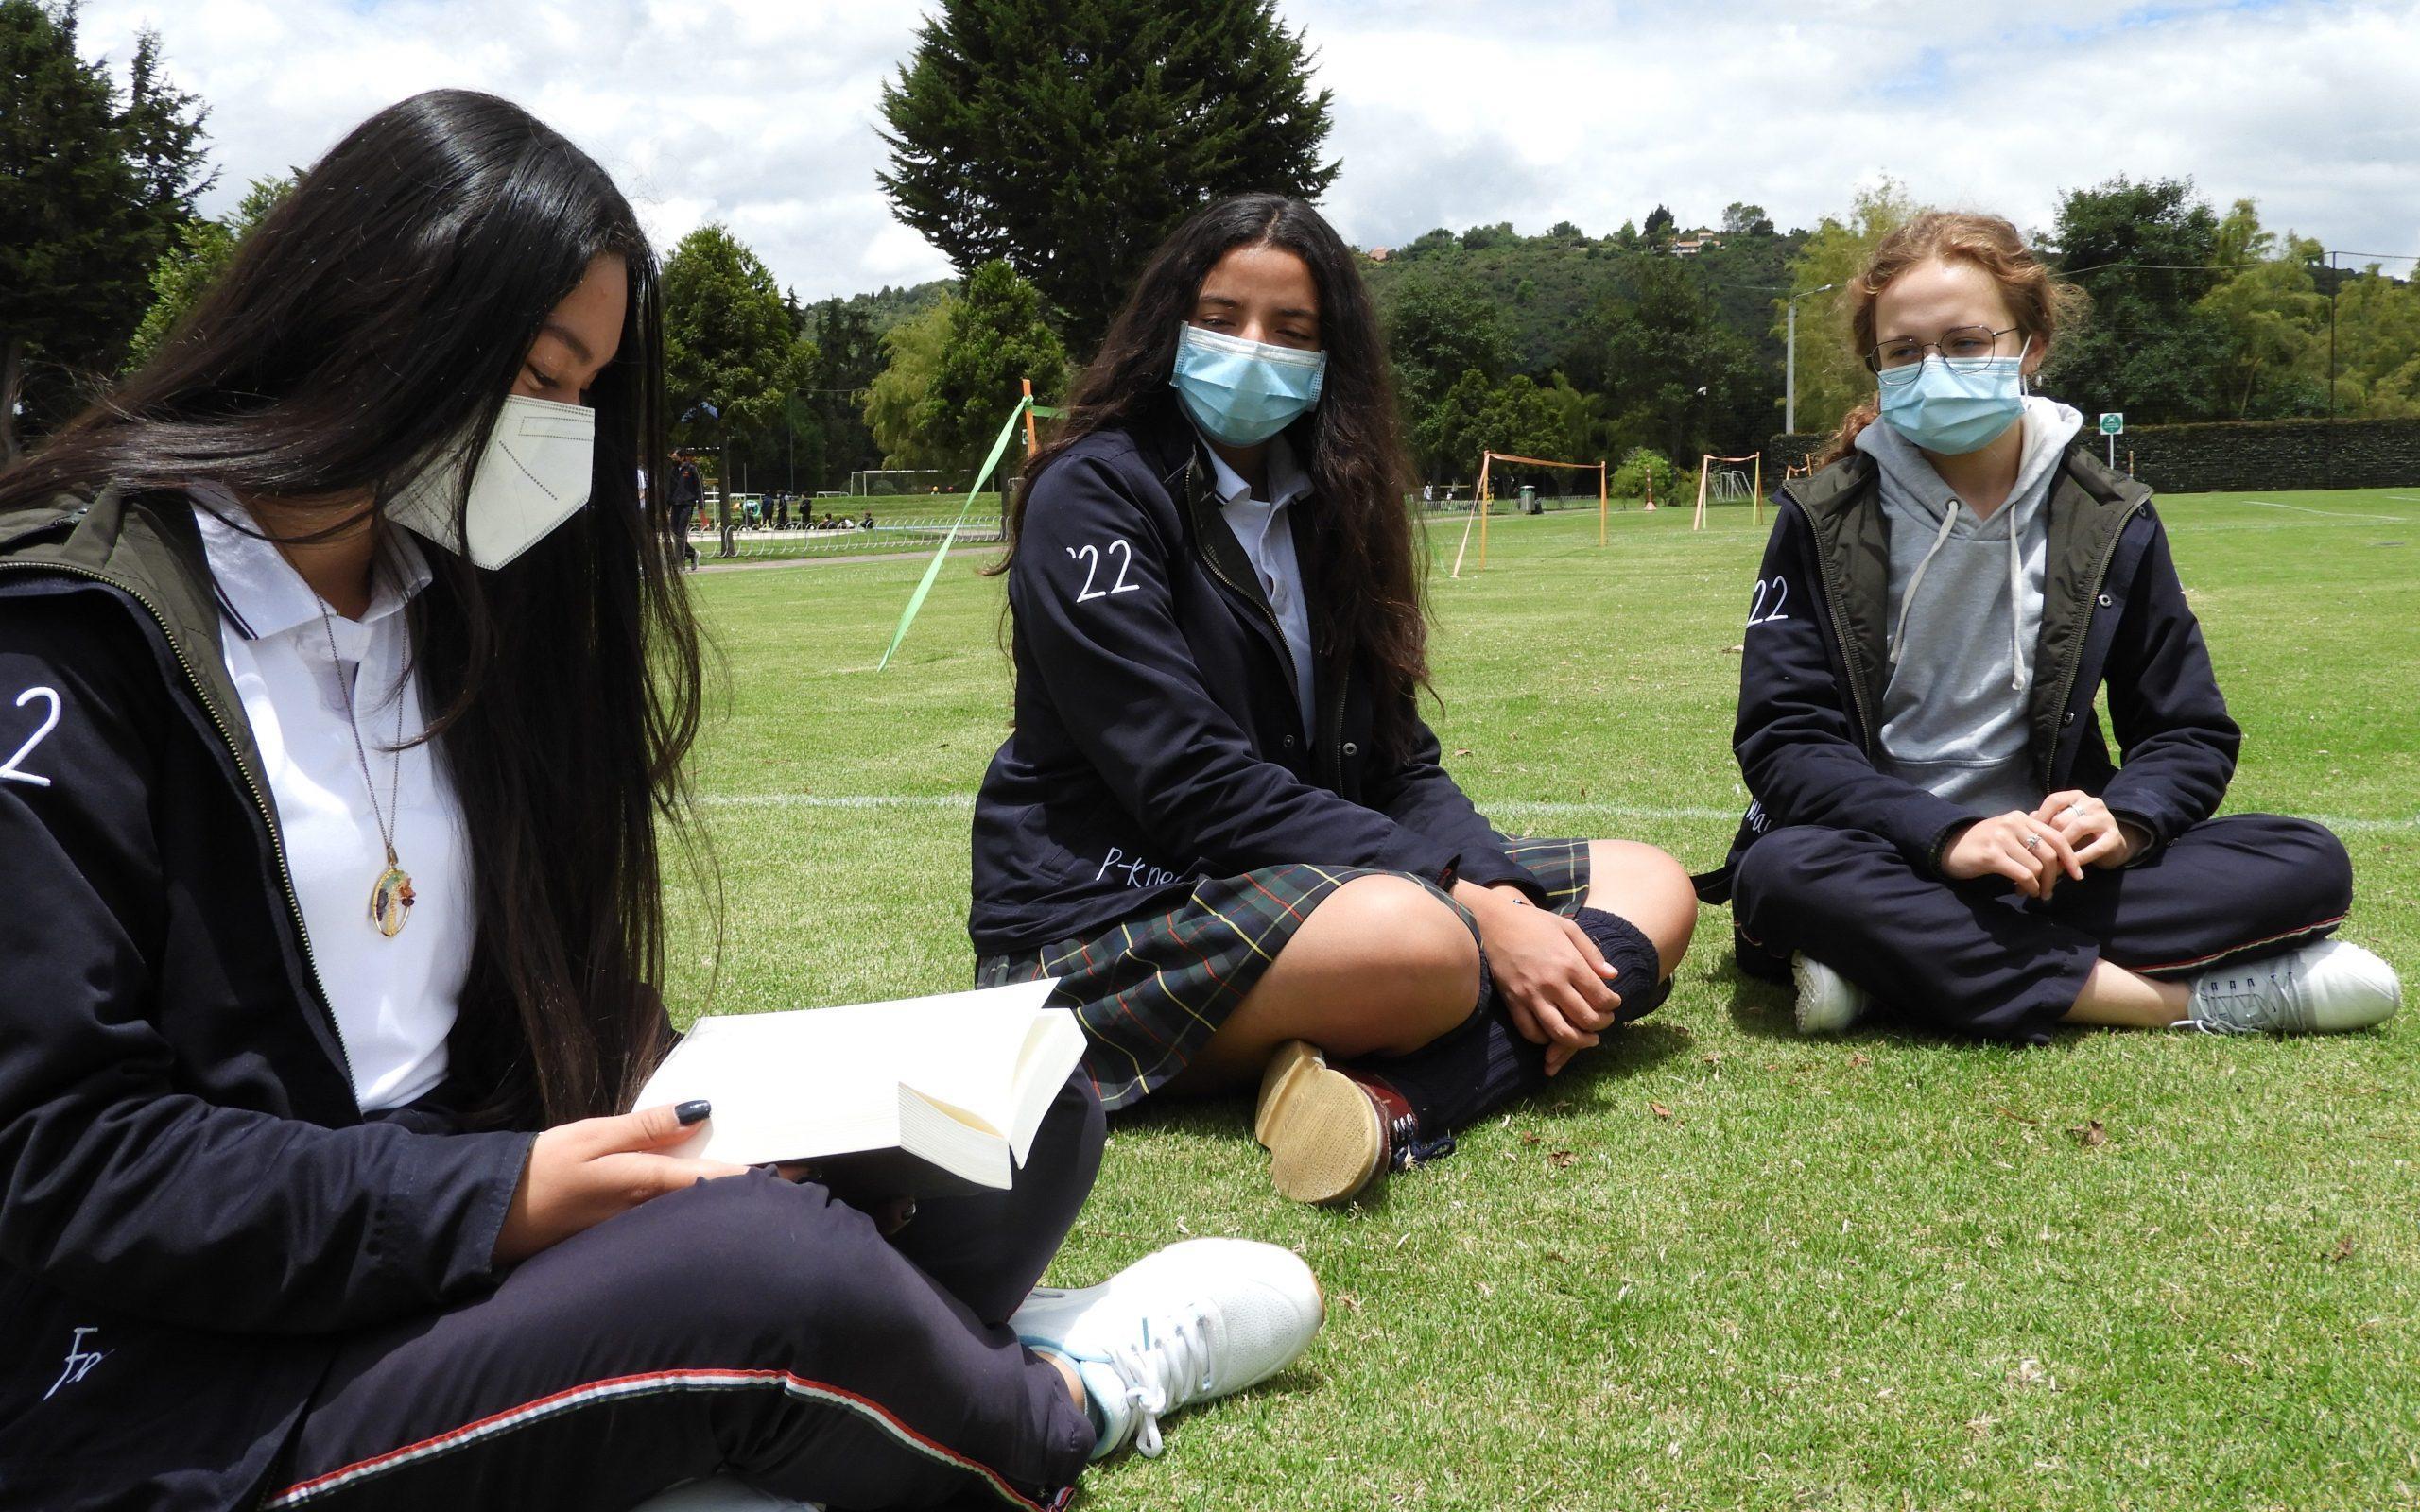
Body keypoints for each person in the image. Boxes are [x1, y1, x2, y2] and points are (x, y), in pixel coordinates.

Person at [0, 91, 1320, 1512]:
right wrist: (496, 1201)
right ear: (369, 311)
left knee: (1018, 1108)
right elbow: (65, 1158)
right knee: (765, 1270)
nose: (560, 432)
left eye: (584, 392)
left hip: (448, 1212)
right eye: (540, 375)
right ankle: (1055, 1400)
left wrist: (697, 1100)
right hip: (190, 1370)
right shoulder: (70, 637)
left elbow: (498, 1001)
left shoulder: (442, 602)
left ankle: (810, 1388)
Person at [968, 194, 1698, 1209]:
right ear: (1169, 326)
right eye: (1220, 318)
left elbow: (1399, 763)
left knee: (1653, 884)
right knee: (1426, 942)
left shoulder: (1337, 501)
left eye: (1291, 329)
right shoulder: (1092, 492)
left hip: (1315, 886)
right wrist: (1478, 909)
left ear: (1329, 354)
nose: (1251, 348)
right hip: (1113, 912)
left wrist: (1496, 894)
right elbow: (1189, 784)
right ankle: (1441, 1048)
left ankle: (1389, 1097)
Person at [1701, 211, 2401, 1040]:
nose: (1934, 370)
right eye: (1904, 352)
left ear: (2031, 346)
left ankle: (1894, 967)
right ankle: (2175, 1004)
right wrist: (1945, 837)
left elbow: (2186, 731)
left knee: (2302, 859)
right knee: (1784, 874)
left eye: (1966, 343)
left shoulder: (2110, 517)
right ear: (1877, 365)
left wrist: (2125, 820)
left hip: (2051, 865)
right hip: (1876, 851)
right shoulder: (1823, 516)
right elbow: (1785, 742)